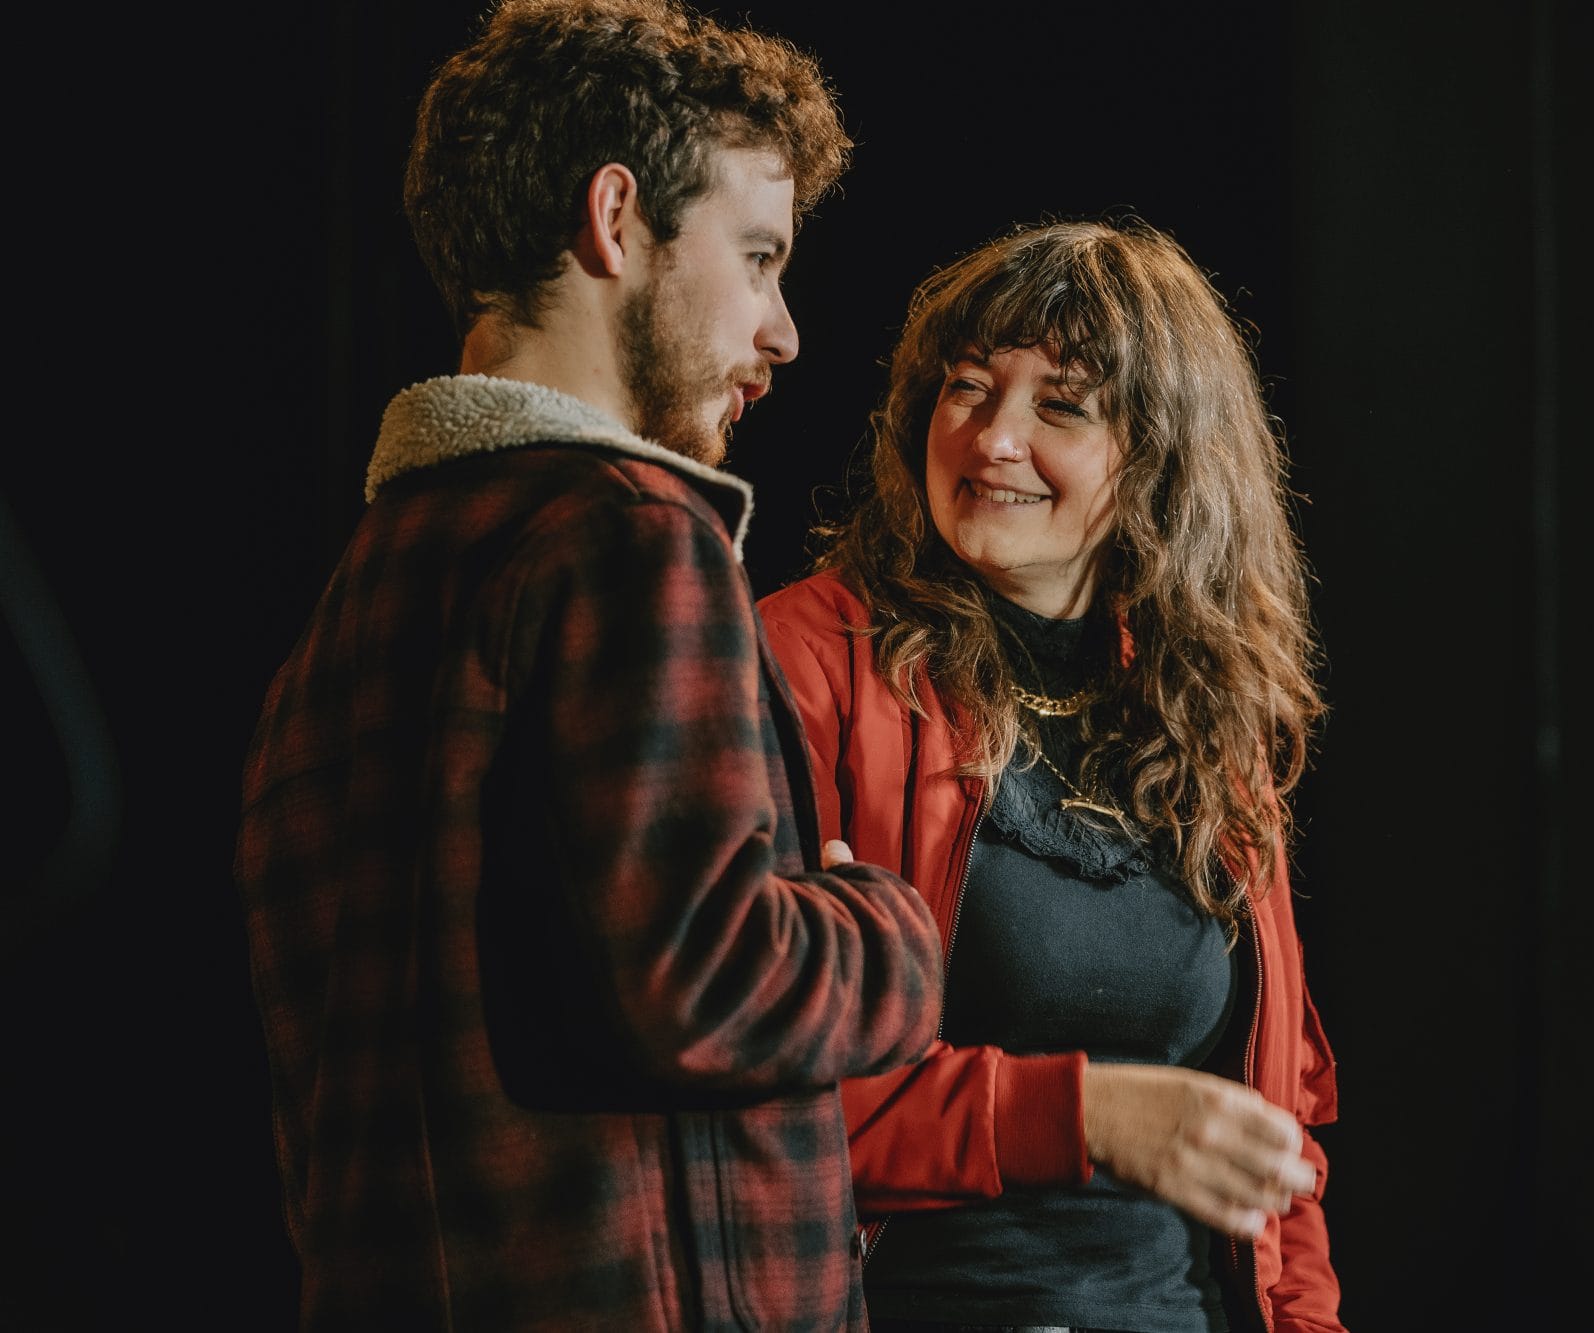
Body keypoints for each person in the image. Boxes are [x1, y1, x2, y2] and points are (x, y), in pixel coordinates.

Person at [233, 2, 944, 1328]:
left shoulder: (344, 617)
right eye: (758, 257)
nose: (783, 330)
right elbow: (707, 979)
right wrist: (883, 924)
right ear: (616, 219)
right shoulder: (628, 537)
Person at [758, 219, 1347, 1332]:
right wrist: (1085, 1114)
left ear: (1157, 462)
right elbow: (759, 1098)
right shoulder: (806, 664)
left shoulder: (1202, 710)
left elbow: (1280, 1133)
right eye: (967, 389)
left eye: (1059, 407)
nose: (991, 439)